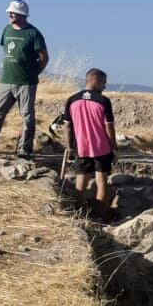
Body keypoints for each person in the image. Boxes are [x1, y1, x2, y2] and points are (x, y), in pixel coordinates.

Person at [0, 0, 48, 158]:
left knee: (27, 117)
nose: (9, 14)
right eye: (9, 12)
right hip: (6, 80)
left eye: (13, 12)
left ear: (22, 15)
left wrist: (33, 73)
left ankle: (25, 149)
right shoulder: (7, 30)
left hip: (26, 82)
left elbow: (44, 57)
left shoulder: (33, 33)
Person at [63, 69, 117, 219]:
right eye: (103, 83)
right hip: (102, 148)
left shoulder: (72, 99)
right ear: (95, 80)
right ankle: (100, 215)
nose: (104, 86)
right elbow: (109, 127)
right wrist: (113, 146)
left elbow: (67, 126)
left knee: (81, 182)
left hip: (81, 148)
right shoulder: (103, 101)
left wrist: (70, 146)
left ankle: (79, 214)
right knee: (101, 182)